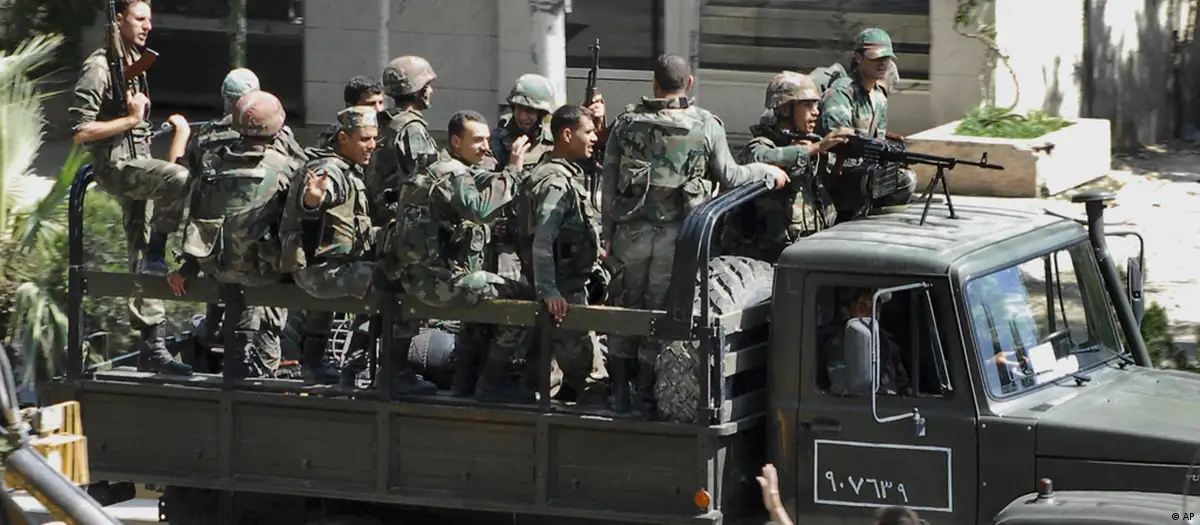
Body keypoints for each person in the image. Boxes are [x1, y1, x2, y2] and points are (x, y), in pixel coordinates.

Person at [600, 53, 789, 416]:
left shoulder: (626, 123)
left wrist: (607, 233)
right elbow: (731, 176)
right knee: (660, 311)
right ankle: (645, 396)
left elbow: (608, 183)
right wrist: (764, 171)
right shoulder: (706, 124)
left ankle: (619, 395)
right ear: (689, 84)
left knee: (624, 309)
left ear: (654, 83)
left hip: (630, 236)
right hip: (680, 239)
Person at [276, 106, 437, 395]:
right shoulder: (330, 171)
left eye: (374, 138)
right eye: (364, 139)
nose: (372, 145)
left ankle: (319, 362)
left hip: (326, 268)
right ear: (343, 138)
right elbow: (312, 204)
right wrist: (313, 201)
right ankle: (390, 370)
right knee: (405, 283)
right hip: (324, 273)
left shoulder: (345, 168)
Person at [69, 0, 192, 376]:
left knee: (139, 254)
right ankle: (158, 252)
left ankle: (152, 345)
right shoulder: (99, 67)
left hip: (138, 163)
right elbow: (81, 131)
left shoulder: (133, 63)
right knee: (179, 179)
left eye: (150, 19)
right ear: (119, 20)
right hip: (116, 168)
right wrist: (132, 118)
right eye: (140, 18)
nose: (147, 26)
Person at [380, 110, 534, 403]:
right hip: (436, 285)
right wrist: (514, 169)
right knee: (522, 298)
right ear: (455, 141)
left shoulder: (434, 168)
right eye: (477, 140)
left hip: (412, 278)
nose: (485, 147)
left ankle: (462, 381)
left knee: (479, 294)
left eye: (487, 140)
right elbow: (480, 210)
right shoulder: (452, 174)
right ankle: (493, 381)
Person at [166, 91, 299, 379]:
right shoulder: (285, 168)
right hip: (266, 272)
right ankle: (260, 375)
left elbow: (199, 222)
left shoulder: (212, 166)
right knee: (269, 330)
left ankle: (232, 363)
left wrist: (188, 267)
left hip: (220, 269)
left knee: (237, 322)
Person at [515, 104, 610, 405]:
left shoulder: (555, 172)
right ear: (567, 135)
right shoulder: (555, 182)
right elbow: (542, 240)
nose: (594, 137)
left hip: (566, 286)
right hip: (563, 294)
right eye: (588, 131)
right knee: (592, 381)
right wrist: (550, 291)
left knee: (570, 377)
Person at [726, 71, 854, 261]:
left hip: (811, 249)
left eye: (816, 105)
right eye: (808, 105)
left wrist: (840, 160)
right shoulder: (761, 145)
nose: (816, 112)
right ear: (785, 109)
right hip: (770, 259)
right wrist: (816, 148)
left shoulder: (808, 146)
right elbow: (763, 158)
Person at [819, 28, 917, 215]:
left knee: (905, 176)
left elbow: (879, 139)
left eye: (886, 58)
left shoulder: (878, 96)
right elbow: (838, 141)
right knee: (903, 180)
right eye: (876, 58)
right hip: (839, 174)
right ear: (859, 58)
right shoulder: (842, 92)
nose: (882, 63)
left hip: (865, 169)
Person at [365, 56, 442, 225]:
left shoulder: (387, 121)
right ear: (419, 91)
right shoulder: (411, 128)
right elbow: (424, 180)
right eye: (428, 86)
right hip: (405, 222)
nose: (431, 91)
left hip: (383, 216)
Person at [824, 287, 908, 396]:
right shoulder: (838, 345)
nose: (871, 312)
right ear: (846, 311)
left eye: (876, 306)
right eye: (863, 307)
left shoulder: (887, 342)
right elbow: (844, 387)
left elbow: (902, 383)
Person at [317, 75, 388, 146]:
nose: (379, 109)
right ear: (350, 106)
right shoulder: (335, 138)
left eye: (380, 103)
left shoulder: (389, 129)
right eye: (370, 104)